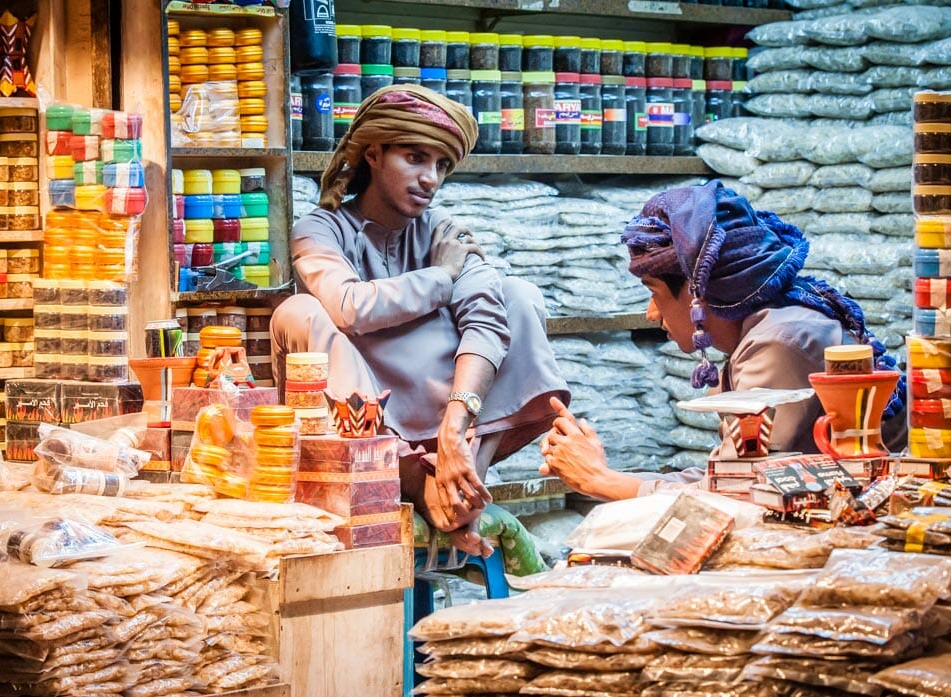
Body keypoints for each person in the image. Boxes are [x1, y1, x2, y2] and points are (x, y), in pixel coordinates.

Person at [271, 85, 570, 556]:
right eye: (415, 158)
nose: (430, 178)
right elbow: (351, 307)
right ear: (373, 153)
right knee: (300, 312)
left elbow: (488, 319)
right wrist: (442, 276)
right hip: (367, 420)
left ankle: (464, 480)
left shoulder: (443, 230)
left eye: (441, 166)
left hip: (449, 416)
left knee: (516, 296)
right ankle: (414, 480)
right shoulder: (320, 228)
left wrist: (456, 429)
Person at [540, 179, 907, 500]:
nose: (652, 313)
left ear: (697, 293)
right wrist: (605, 476)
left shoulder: (778, 342)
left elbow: (745, 494)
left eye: (655, 292)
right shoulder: (760, 333)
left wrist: (603, 481)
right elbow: (723, 479)